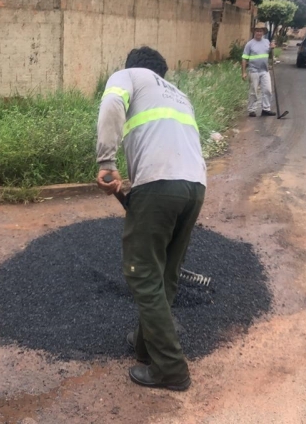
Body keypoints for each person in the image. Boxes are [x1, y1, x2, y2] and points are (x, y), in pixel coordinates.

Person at [96, 46, 206, 391]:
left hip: (159, 185)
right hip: (195, 187)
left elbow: (112, 105)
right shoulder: (180, 96)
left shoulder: (127, 76)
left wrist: (106, 162)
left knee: (142, 275)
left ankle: (170, 369)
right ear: (163, 72)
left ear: (132, 66)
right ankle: (145, 345)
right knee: (166, 272)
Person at [241, 24, 276, 117]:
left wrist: (272, 48)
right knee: (253, 91)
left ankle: (266, 109)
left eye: (261, 31)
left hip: (265, 70)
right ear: (254, 32)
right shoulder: (250, 44)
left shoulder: (266, 42)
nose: (259, 33)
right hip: (253, 70)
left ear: (263, 32)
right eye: (257, 31)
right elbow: (244, 58)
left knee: (268, 90)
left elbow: (270, 54)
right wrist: (244, 72)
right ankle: (252, 110)